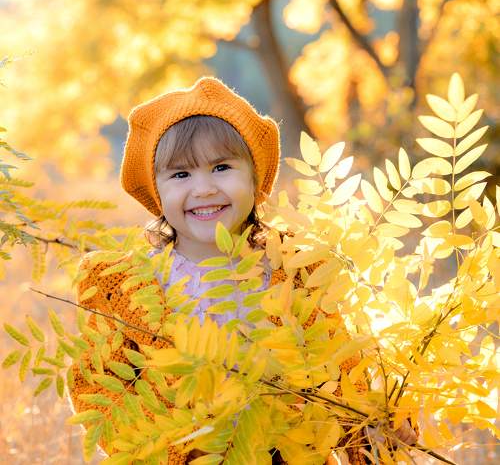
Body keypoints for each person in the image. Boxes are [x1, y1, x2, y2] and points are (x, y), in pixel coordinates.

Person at [68, 77, 416, 464]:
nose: (203, 188)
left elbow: (343, 374)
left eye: (221, 167)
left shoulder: (297, 268)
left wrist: (375, 427)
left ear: (255, 179)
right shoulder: (121, 284)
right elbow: (99, 393)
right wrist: (183, 446)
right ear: (157, 190)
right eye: (180, 174)